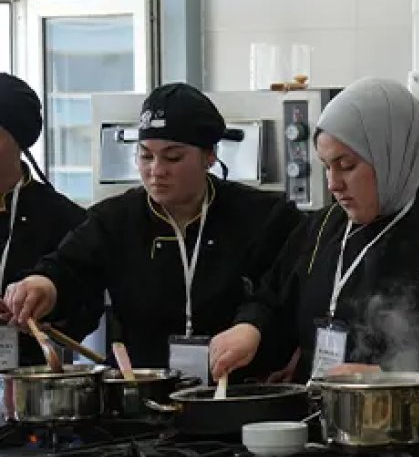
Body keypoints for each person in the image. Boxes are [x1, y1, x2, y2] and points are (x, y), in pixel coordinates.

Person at [207, 78, 419, 412]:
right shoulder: (322, 228)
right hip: (322, 421)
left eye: (346, 165)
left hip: (413, 425)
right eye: (326, 167)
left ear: (390, 156)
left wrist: (387, 378)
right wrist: (251, 328)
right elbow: (274, 297)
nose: (333, 184)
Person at [4, 83, 302, 378]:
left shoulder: (264, 217)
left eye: (173, 158)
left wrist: (252, 325)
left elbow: (284, 289)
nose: (156, 170)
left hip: (242, 387)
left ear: (209, 156)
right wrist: (44, 285)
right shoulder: (114, 219)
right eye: (146, 156)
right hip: (143, 388)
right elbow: (69, 268)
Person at [0, 74, 101, 367]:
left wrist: (47, 311)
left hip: (29, 379)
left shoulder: (65, 218)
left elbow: (87, 309)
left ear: (19, 140)